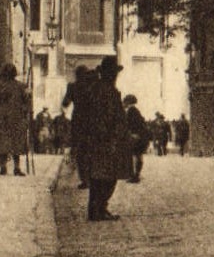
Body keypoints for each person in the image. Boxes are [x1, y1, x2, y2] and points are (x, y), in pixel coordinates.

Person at [80, 55, 127, 222]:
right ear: (108, 73)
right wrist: (115, 136)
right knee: (108, 176)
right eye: (113, 73)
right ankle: (99, 209)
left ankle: (95, 210)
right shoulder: (109, 92)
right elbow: (114, 117)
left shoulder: (94, 89)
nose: (115, 76)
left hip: (95, 138)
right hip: (106, 139)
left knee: (97, 176)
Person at [0, 64, 30, 175]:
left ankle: (3, 167)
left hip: (2, 118)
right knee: (16, 143)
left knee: (3, 142)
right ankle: (16, 168)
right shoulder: (21, 86)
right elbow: (26, 103)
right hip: (17, 118)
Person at [62, 65, 94, 188]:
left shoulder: (72, 86)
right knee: (91, 150)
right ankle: (92, 178)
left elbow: (65, 102)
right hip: (92, 121)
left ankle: (84, 180)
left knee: (80, 152)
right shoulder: (92, 86)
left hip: (78, 121)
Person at [122, 93, 151, 182]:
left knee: (135, 155)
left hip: (136, 137)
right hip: (141, 137)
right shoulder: (135, 111)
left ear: (128, 102)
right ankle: (136, 175)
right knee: (138, 155)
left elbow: (130, 125)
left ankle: (135, 176)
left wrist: (133, 134)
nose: (123, 103)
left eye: (124, 101)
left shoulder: (131, 111)